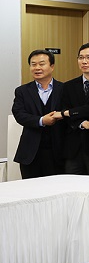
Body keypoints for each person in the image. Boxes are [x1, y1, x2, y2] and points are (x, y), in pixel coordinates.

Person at [12, 49, 65, 178]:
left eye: (42, 64)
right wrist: (41, 120)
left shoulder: (64, 89)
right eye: (33, 64)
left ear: (52, 66)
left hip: (59, 152)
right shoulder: (22, 91)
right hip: (30, 153)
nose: (37, 68)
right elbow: (19, 114)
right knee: (31, 188)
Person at [58, 43, 89, 175]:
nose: (84, 61)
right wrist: (82, 123)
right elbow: (63, 111)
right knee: (70, 183)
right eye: (81, 58)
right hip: (73, 147)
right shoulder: (68, 86)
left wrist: (69, 113)